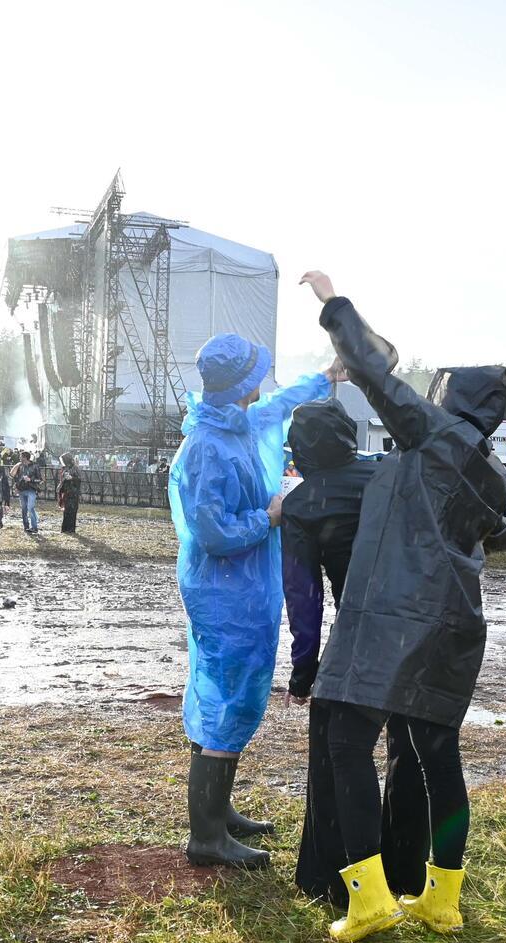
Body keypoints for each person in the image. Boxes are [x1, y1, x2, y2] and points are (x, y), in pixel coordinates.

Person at [299, 270, 506, 941]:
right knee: (436, 752)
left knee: (346, 739)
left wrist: (333, 302)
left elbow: (377, 375)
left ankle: (367, 899)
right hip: (453, 627)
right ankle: (441, 897)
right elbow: (496, 536)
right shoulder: (490, 470)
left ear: (451, 401)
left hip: (392, 616)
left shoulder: (435, 435)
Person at [171, 331, 337, 870]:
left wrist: (328, 377)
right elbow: (211, 531)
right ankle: (207, 837)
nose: (263, 381)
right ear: (242, 382)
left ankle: (219, 812)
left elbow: (279, 405)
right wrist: (267, 517)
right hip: (223, 591)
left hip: (243, 588)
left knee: (227, 697)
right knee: (227, 698)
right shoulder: (206, 447)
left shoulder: (236, 422)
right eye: (256, 373)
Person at [280, 399, 382, 912]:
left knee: (335, 751)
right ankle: (411, 873)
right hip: (420, 631)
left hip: (358, 634)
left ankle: (337, 881)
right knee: (418, 757)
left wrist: (304, 672)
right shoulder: (384, 476)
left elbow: (305, 599)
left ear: (299, 450)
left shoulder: (301, 505)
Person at [12, 450, 42, 534]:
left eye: (20, 456)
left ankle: (34, 527)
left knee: (30, 508)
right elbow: (15, 477)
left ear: (25, 457)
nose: (19, 458)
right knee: (24, 509)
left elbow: (40, 479)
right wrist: (16, 486)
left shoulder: (35, 466)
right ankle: (26, 526)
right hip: (21, 490)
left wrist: (30, 479)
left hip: (31, 490)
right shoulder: (20, 466)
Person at [57, 452, 82, 534]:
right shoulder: (65, 468)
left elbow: (79, 479)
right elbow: (62, 479)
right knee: (66, 510)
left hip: (74, 492)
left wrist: (72, 478)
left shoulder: (75, 468)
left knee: (73, 510)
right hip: (67, 492)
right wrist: (60, 485)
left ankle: (71, 529)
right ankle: (65, 528)